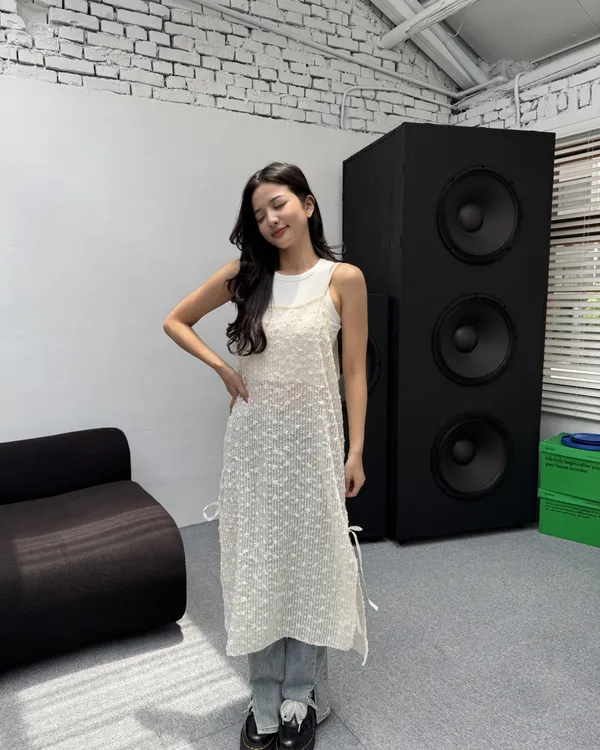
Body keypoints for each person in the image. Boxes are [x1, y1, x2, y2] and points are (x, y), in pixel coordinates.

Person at [163, 163, 378, 750]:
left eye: (278, 204)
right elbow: (176, 321)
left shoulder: (344, 278)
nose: (270, 219)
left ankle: (299, 696)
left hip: (315, 446)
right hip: (254, 447)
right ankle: (262, 693)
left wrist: (357, 449)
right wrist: (223, 369)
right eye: (258, 214)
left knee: (311, 564)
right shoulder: (246, 275)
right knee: (258, 565)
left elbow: (354, 371)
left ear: (307, 204)